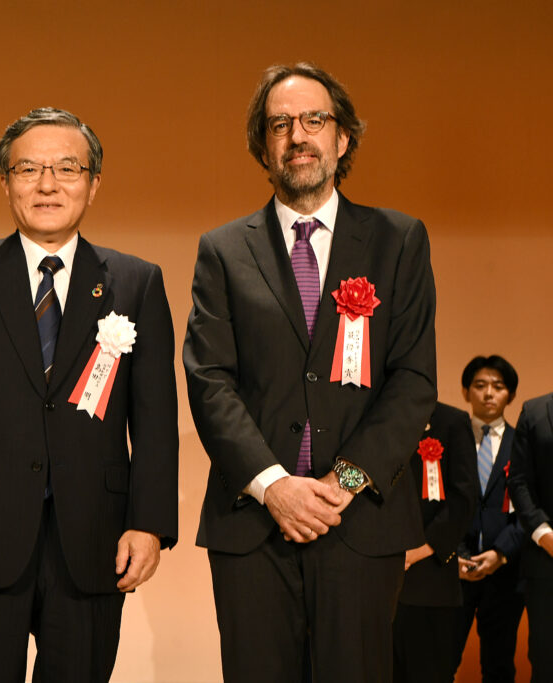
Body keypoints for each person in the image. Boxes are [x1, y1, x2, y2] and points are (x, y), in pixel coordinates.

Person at [0, 107, 178, 682]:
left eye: (67, 168)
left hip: (94, 539)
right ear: (5, 182)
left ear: (94, 183)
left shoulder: (136, 280)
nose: (47, 184)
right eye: (28, 169)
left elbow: (154, 421)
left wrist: (148, 523)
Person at [182, 62, 437, 683]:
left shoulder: (397, 239)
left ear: (342, 137)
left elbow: (412, 380)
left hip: (360, 522)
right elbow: (209, 378)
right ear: (262, 146)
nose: (298, 136)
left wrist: (340, 483)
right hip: (253, 523)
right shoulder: (223, 249)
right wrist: (275, 486)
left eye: (314, 120)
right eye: (280, 125)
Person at [452, 355, 525, 682]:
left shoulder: (523, 444)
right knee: (441, 659)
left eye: (498, 386)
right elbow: (431, 504)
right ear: (466, 392)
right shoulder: (445, 441)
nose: (489, 394)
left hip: (505, 571)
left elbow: (531, 507)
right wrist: (453, 554)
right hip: (453, 569)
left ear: (510, 394)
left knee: (499, 665)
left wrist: (502, 553)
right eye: (480, 386)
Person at [392, 402, 477, 682]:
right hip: (372, 583)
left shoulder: (450, 421)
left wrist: (418, 551)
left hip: (430, 580)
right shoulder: (368, 413)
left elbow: (463, 499)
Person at [508, 389, 553, 682]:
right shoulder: (535, 411)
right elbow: (519, 480)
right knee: (546, 657)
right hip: (546, 559)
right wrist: (544, 534)